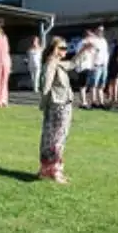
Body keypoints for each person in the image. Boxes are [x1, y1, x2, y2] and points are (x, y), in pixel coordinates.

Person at [37, 35, 76, 183]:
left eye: (66, 47)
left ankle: (48, 170)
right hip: (57, 105)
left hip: (62, 104)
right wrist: (44, 103)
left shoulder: (58, 63)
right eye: (62, 48)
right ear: (54, 49)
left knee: (54, 137)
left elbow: (73, 64)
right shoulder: (51, 63)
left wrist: (84, 50)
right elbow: (46, 86)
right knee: (56, 139)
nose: (65, 50)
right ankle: (53, 171)